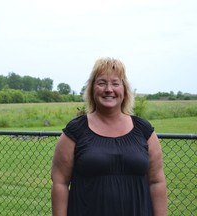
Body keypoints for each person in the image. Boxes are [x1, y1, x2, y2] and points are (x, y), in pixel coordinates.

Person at [51, 57, 167, 216]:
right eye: (101, 83)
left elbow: (157, 182)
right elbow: (60, 183)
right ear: (92, 89)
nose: (108, 89)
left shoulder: (144, 131)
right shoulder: (75, 131)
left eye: (115, 83)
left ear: (124, 90)